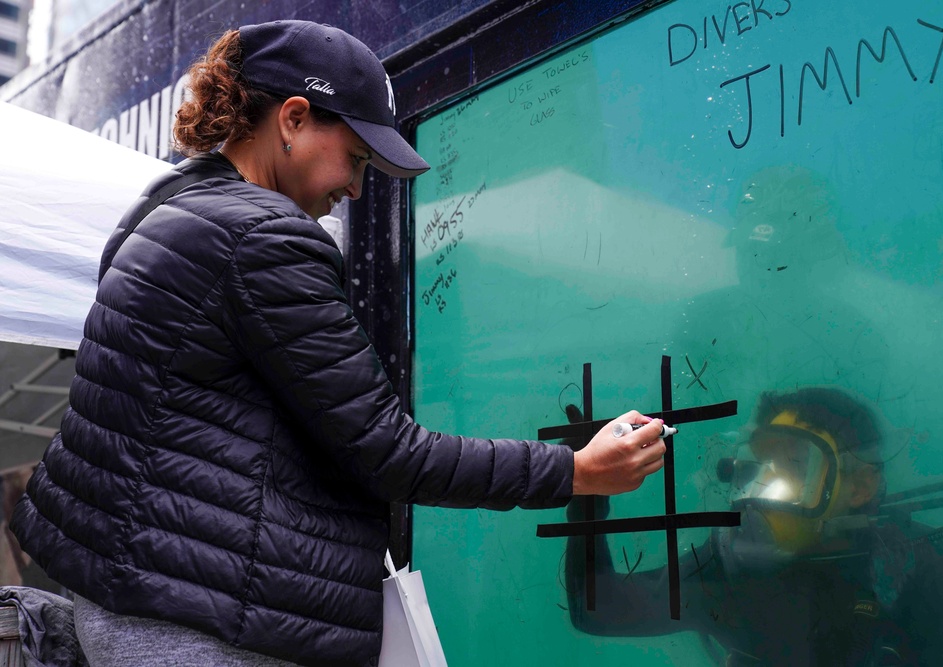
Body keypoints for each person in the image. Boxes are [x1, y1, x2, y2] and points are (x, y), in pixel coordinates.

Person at [9, 20, 668, 667]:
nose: (355, 188)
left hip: (133, 601)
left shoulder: (163, 211)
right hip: (204, 626)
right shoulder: (265, 237)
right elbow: (389, 452)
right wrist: (575, 470)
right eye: (355, 157)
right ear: (293, 119)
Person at [564, 387, 943, 666]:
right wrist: (586, 491)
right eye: (762, 461)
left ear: (861, 485)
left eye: (796, 462)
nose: (766, 483)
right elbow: (601, 610)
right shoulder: (727, 570)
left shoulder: (913, 575)